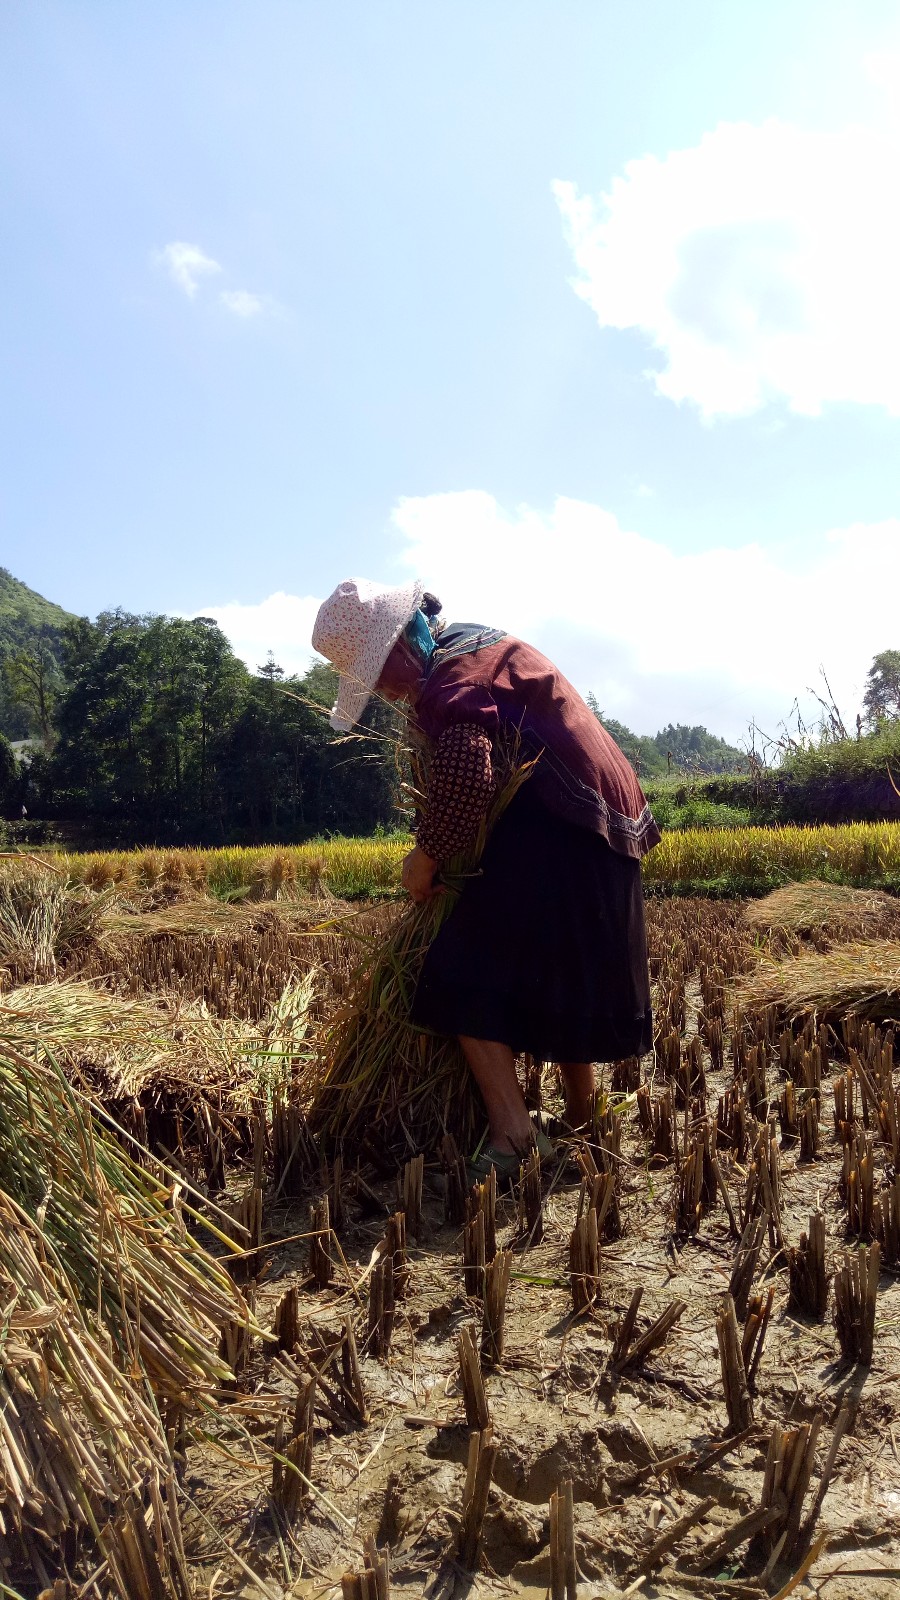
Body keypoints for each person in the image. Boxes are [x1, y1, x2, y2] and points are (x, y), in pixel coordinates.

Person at [312, 577, 659, 1178]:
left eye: (379, 677)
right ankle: (584, 1116)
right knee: (557, 976)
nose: (387, 694)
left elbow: (468, 774)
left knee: (461, 975)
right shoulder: (479, 646)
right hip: (600, 825)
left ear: (398, 648)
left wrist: (427, 857)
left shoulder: (455, 677)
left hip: (566, 825)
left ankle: (514, 1138)